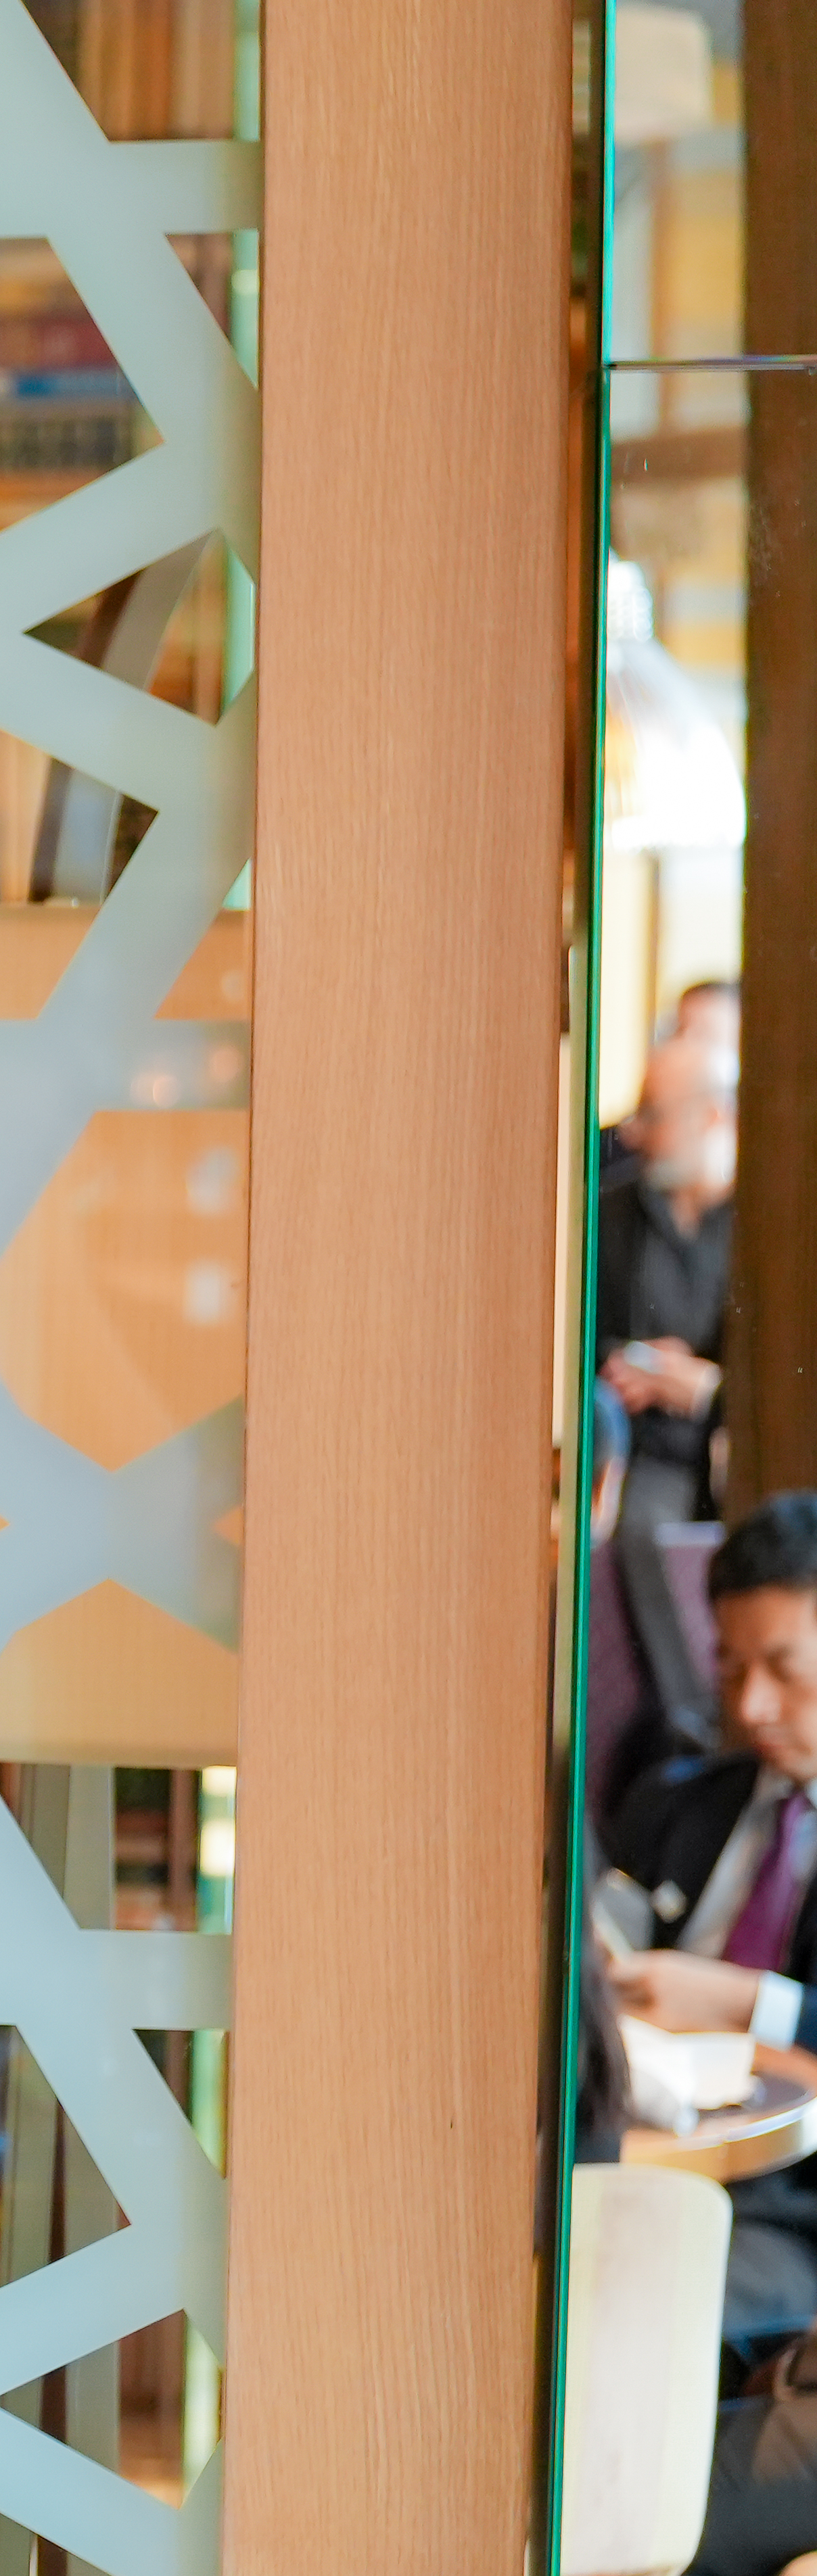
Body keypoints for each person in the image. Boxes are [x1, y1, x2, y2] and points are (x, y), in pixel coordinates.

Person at [605, 1489, 817, 2338]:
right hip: (634, 2150)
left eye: (784, 1671)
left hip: (788, 2209)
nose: (752, 1705)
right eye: (731, 1669)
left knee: (632, 2300)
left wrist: (738, 2001)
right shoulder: (677, 1802)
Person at [600, 982, 739, 1759]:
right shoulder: (613, 1213)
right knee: (643, 1528)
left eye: (656, 1115)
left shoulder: (766, 1222)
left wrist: (707, 1388)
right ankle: (687, 1731)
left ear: (713, 1117)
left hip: (734, 1445)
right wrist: (635, 1369)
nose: (638, 1132)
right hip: (645, 1451)